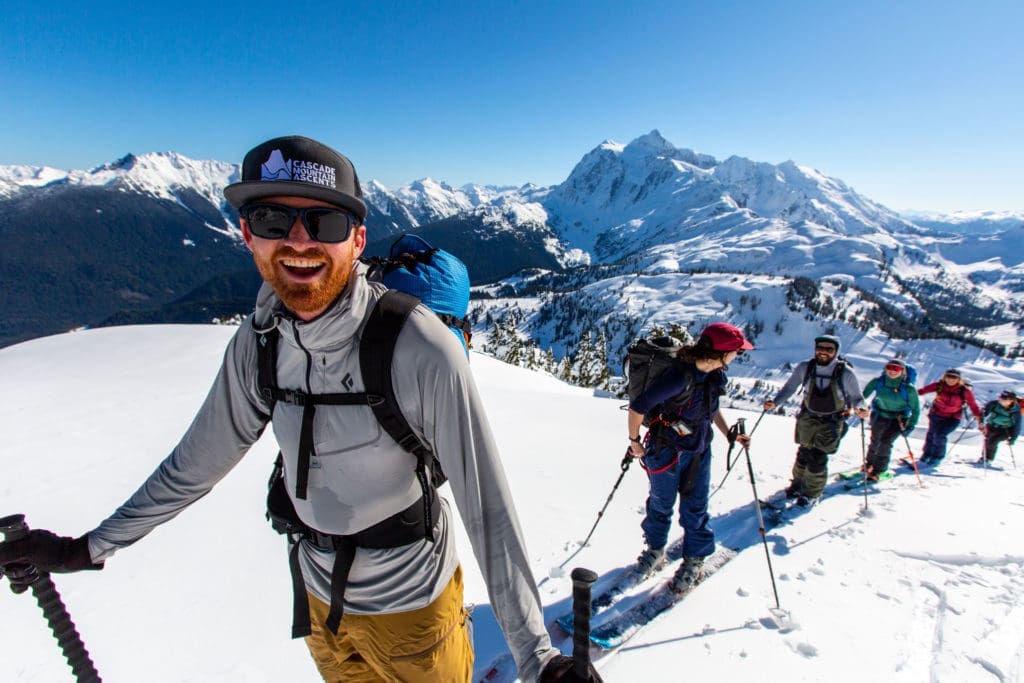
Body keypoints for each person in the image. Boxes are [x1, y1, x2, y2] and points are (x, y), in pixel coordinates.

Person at [0, 136, 592, 683]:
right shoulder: (261, 341)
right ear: (246, 233)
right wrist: (88, 547)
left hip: (412, 613)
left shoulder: (418, 346)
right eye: (272, 218)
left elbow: (486, 504)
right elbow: (195, 465)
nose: (299, 240)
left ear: (357, 240)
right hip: (317, 605)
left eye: (325, 221)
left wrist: (536, 656)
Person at [627, 322, 753, 592]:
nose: (737, 356)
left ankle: (693, 558)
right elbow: (638, 407)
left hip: (698, 449)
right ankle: (655, 550)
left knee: (694, 508)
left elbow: (711, 409)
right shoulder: (680, 377)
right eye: (736, 352)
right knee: (662, 504)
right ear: (722, 352)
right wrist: (634, 442)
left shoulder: (714, 376)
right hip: (666, 450)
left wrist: (729, 433)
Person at [763, 335, 868, 504]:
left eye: (829, 349)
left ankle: (811, 495)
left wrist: (861, 408)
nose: (823, 352)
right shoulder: (805, 367)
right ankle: (797, 485)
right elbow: (790, 387)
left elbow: (857, 397)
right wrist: (775, 402)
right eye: (820, 347)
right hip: (808, 418)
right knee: (804, 453)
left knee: (818, 457)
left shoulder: (846, 373)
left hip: (832, 422)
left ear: (836, 352)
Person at [861, 358, 920, 479]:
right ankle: (869, 463)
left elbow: (916, 409)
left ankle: (878, 470)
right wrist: (860, 407)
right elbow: (862, 396)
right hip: (880, 414)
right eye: (890, 367)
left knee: (885, 442)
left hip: (899, 418)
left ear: (903, 371)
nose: (892, 371)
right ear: (885, 369)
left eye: (896, 368)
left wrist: (911, 424)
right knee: (875, 440)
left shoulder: (909, 389)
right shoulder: (878, 382)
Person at [917, 368, 982, 467]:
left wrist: (979, 420)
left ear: (959, 379)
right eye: (949, 376)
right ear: (944, 377)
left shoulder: (964, 391)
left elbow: (973, 405)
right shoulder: (939, 386)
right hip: (936, 415)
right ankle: (927, 454)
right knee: (931, 434)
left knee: (940, 435)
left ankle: (937, 457)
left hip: (953, 418)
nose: (951, 379)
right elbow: (922, 391)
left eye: (954, 377)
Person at [980, 390, 1021, 464]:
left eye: (1004, 399)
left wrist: (1013, 439)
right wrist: (982, 416)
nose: (1001, 400)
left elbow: (1017, 426)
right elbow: (985, 412)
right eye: (1000, 398)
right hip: (991, 426)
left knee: (993, 441)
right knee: (987, 441)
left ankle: (989, 459)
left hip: (1005, 430)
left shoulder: (1015, 412)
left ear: (1011, 401)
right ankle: (984, 458)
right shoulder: (994, 404)